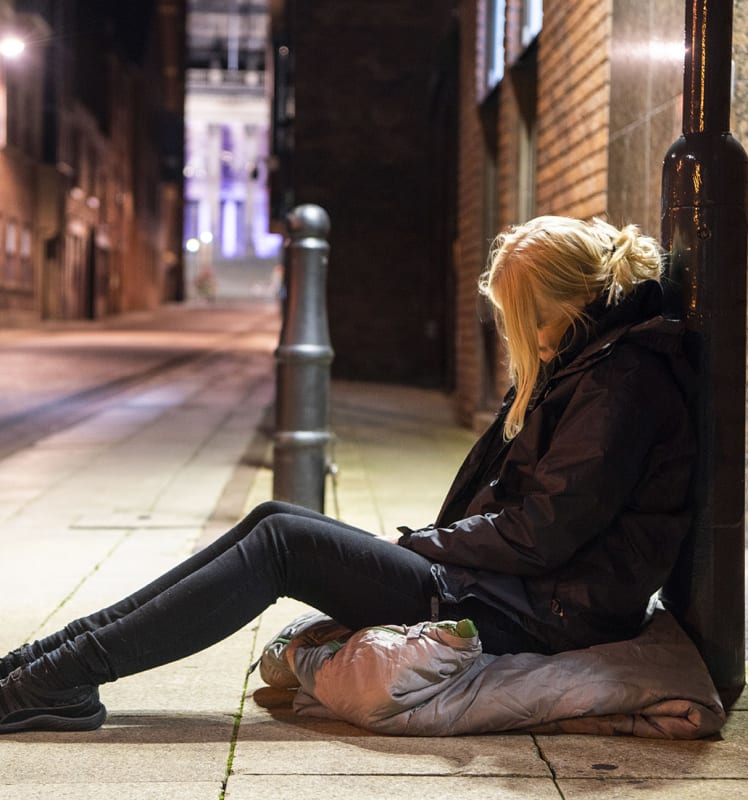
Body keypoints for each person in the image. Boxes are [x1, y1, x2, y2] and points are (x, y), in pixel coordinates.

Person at [0, 216, 696, 734]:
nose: (524, 338)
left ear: (566, 305)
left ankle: (62, 675)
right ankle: (46, 663)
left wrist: (424, 545)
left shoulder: (620, 382)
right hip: (508, 588)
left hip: (536, 612)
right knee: (275, 519)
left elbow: (543, 532)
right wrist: (434, 544)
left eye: (526, 320)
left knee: (283, 548)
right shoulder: (594, 361)